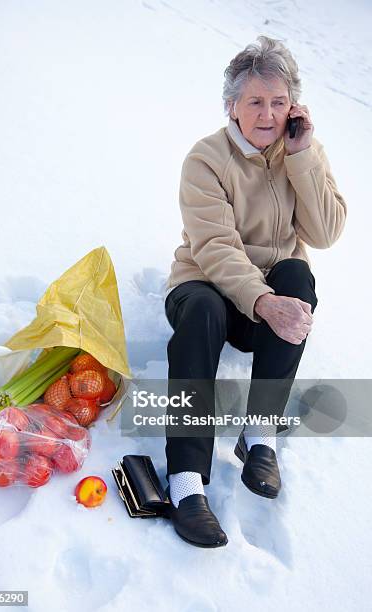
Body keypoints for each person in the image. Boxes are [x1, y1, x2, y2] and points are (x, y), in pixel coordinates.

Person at [163, 35, 347, 548]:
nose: (268, 115)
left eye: (279, 101)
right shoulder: (205, 159)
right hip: (203, 286)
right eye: (255, 102)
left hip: (261, 307)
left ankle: (259, 435)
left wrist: (303, 158)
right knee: (201, 309)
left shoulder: (301, 153)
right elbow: (216, 247)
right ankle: (186, 483)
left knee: (297, 276)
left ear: (295, 107)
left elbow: (326, 233)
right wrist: (262, 301)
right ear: (232, 106)